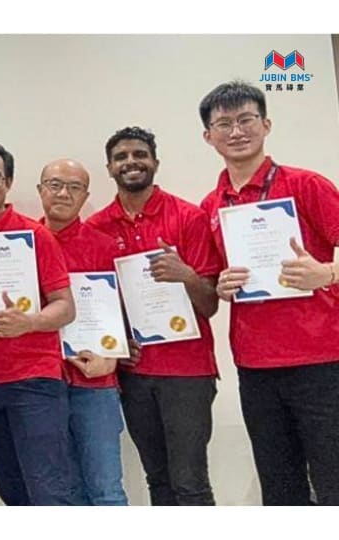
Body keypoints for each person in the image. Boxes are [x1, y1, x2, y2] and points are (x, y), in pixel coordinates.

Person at [199, 81, 339, 505]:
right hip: (255, 365)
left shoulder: (307, 184)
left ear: (266, 124)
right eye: (224, 124)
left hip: (321, 359)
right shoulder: (210, 206)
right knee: (279, 488)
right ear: (208, 136)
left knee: (333, 479)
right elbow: (213, 281)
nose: (236, 131)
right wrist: (222, 286)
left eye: (246, 119)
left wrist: (327, 272)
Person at [87, 127, 221, 505]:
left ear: (155, 163)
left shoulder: (189, 217)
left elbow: (210, 305)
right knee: (157, 479)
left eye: (140, 154)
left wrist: (187, 276)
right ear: (110, 168)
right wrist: (116, 343)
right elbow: (98, 304)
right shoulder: (96, 228)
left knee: (190, 481)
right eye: (121, 157)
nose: (131, 162)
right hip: (135, 372)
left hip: (188, 372)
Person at [0, 142, 83, 506]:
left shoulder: (35, 236)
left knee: (50, 491)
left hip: (35, 381)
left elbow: (65, 307)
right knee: (12, 492)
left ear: (8, 182)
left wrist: (29, 322)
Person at [36, 158, 128, 506]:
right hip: (39, 385)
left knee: (106, 490)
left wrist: (112, 358)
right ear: (40, 190)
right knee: (61, 494)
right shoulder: (21, 244)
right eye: (55, 184)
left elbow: (124, 313)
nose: (63, 193)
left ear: (86, 196)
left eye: (74, 187)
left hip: (95, 384)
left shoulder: (106, 246)